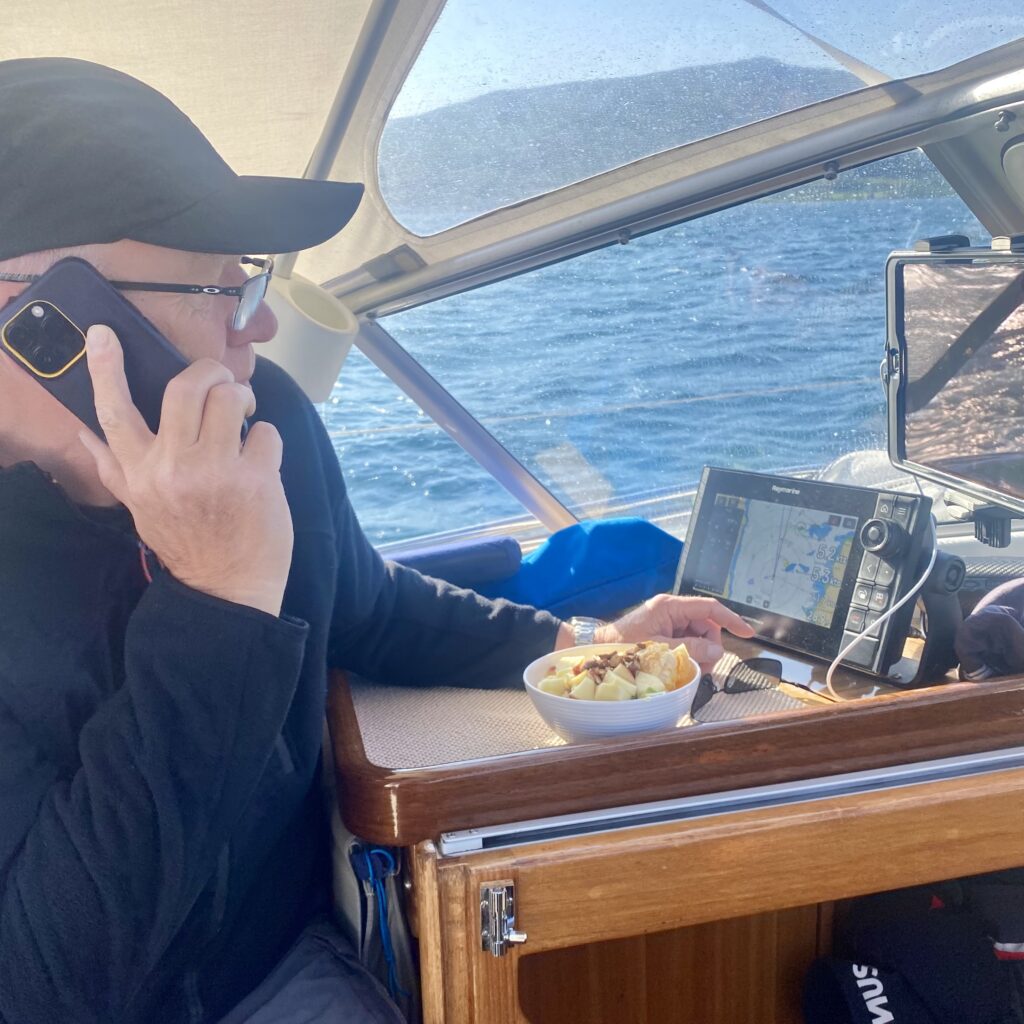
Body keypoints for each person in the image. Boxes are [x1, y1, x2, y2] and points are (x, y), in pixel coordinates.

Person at [0, 58, 754, 1024]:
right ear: (42, 320)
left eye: (253, 280)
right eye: (219, 287)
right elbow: (44, 984)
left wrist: (587, 647)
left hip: (285, 964)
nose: (261, 323)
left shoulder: (263, 423)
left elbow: (367, 604)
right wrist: (218, 597)